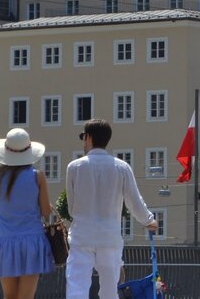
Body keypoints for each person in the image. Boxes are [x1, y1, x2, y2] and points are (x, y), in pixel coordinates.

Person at [65, 119, 157, 299]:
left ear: (89, 137)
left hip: (81, 236)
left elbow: (71, 207)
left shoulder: (74, 167)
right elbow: (134, 202)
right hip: (109, 237)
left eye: (83, 137)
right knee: (109, 290)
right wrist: (149, 220)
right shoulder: (122, 167)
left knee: (77, 287)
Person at [0, 128, 54, 299]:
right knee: (26, 297)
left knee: (9, 296)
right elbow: (46, 212)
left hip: (5, 241)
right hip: (32, 241)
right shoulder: (37, 176)